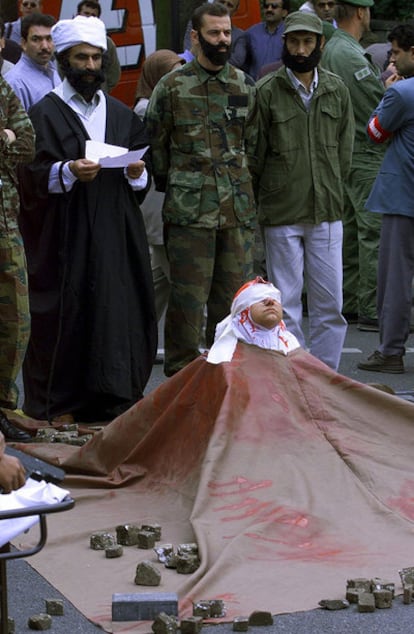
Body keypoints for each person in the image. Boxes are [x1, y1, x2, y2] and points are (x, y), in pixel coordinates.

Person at [18, 15, 157, 422]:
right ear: (64, 61)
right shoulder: (43, 114)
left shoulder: (120, 113)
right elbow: (29, 176)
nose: (91, 67)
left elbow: (143, 169)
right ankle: (61, 403)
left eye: (97, 58)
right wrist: (66, 172)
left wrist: (137, 173)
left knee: (117, 310)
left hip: (116, 232)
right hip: (65, 235)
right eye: (82, 58)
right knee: (69, 312)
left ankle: (114, 397)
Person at [145, 1, 257, 377]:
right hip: (190, 213)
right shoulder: (172, 86)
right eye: (214, 33)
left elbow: (252, 143)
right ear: (196, 36)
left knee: (231, 302)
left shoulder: (243, 85)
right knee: (187, 302)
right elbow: (155, 146)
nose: (223, 40)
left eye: (227, 33)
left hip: (236, 213)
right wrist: (180, 183)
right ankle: (180, 377)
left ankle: (225, 378)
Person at [249, 11, 354, 371]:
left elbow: (345, 149)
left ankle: (326, 379)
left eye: (308, 41)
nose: (300, 48)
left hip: (326, 210)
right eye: (294, 41)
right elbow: (255, 155)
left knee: (330, 305)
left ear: (320, 44)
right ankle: (293, 377)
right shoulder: (265, 91)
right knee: (286, 304)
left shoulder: (337, 89)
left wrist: (332, 187)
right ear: (285, 44)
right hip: (280, 212)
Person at [321, 0, 394, 332]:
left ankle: (350, 301)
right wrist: (391, 94)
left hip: (347, 152)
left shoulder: (336, 48)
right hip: (366, 153)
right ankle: (371, 306)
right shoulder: (349, 54)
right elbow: (376, 106)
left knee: (350, 232)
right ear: (362, 13)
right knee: (372, 233)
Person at [357, 24, 414, 375]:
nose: (391, 59)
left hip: (402, 198)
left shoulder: (401, 93)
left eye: (396, 52)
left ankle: (391, 351)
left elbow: (375, 132)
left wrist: (385, 93)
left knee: (395, 279)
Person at [133, 50, 184, 324]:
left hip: (163, 201)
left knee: (158, 279)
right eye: (171, 72)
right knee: (184, 282)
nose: (177, 78)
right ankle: (203, 346)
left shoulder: (160, 102)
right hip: (158, 202)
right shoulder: (147, 108)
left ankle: (136, 333)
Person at [0, 75, 35, 442]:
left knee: (16, 321)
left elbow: (28, 142)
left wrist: (11, 136)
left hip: (6, 223)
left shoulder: (2, 88)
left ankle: (4, 408)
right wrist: (4, 135)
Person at [207, 277, 300, 364]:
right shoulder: (226, 356)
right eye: (260, 299)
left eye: (275, 299)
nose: (270, 302)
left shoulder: (293, 347)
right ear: (243, 313)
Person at [5, 13, 60, 111]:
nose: (45, 46)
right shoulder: (15, 83)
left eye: (49, 38)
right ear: (24, 43)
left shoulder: (53, 71)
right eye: (36, 39)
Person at [233, 0, 290, 79]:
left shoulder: (290, 34)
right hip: (256, 86)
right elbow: (243, 63)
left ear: (284, 12)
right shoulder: (251, 33)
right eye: (266, 6)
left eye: (274, 6)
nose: (269, 9)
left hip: (280, 86)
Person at [182, 0, 245, 68]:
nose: (224, 6)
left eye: (229, 5)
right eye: (221, 2)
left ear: (235, 11)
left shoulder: (240, 35)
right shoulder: (196, 24)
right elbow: (189, 50)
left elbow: (236, 61)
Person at [76, 0, 121, 93]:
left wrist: (103, 89)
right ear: (78, 15)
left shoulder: (107, 43)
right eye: (86, 13)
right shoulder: (69, 41)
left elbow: (114, 74)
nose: (89, 18)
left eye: (93, 15)